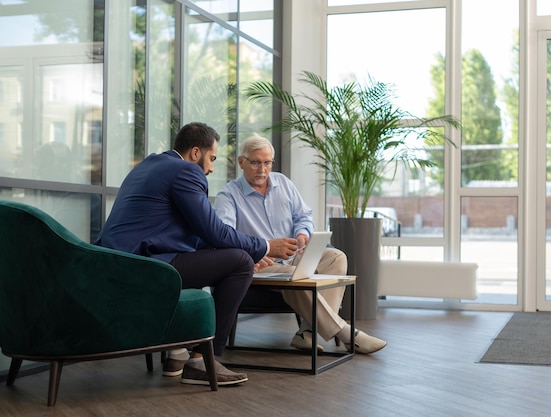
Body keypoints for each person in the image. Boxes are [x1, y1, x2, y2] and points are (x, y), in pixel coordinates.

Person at [94, 123, 298, 386]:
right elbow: (214, 231)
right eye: (211, 158)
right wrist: (265, 247)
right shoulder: (185, 171)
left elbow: (195, 235)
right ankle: (200, 361)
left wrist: (235, 248)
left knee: (225, 258)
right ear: (194, 153)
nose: (211, 168)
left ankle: (177, 351)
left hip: (120, 262)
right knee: (240, 262)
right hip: (143, 268)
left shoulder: (149, 166)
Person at [215, 135, 387, 354]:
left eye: (267, 163)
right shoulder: (228, 196)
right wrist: (258, 250)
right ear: (241, 162)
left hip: (293, 256)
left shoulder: (284, 184)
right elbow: (225, 235)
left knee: (336, 257)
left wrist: (302, 235)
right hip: (261, 263)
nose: (262, 169)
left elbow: (304, 215)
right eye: (255, 162)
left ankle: (306, 333)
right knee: (294, 273)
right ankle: (345, 333)